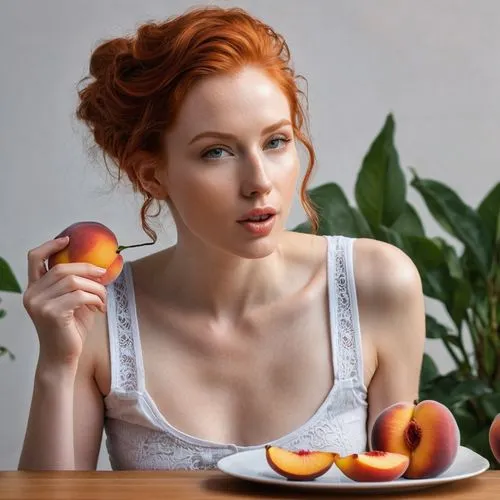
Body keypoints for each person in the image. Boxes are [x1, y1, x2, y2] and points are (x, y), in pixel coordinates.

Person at [18, 5, 425, 471]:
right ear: (152, 176)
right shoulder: (99, 314)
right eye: (216, 151)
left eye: (276, 142)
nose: (258, 181)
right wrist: (55, 364)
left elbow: (398, 485)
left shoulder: (375, 286)